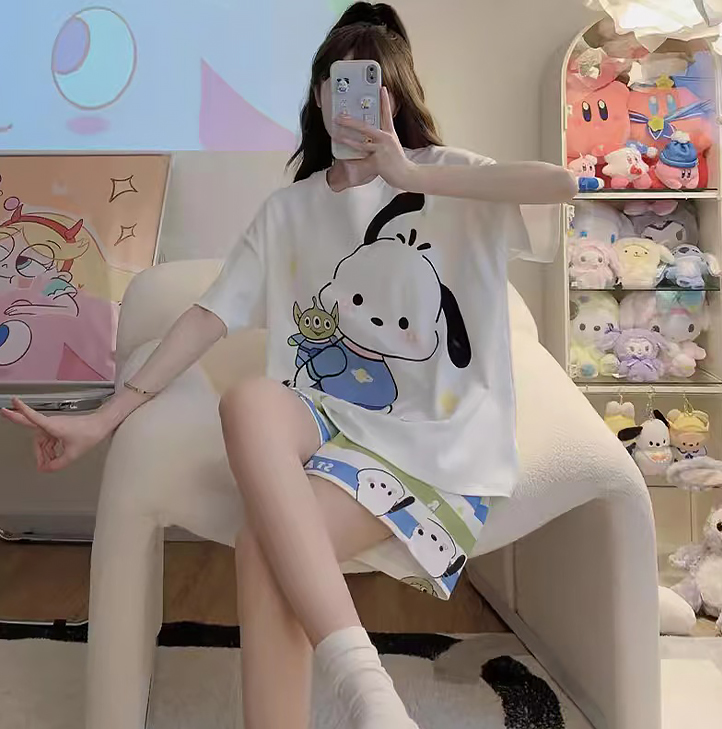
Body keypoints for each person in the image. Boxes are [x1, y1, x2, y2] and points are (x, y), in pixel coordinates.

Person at [1, 3, 576, 728]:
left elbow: (562, 185)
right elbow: (208, 316)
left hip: (434, 446)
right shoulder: (288, 211)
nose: (352, 100)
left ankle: (365, 694)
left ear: (394, 96)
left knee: (261, 544)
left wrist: (407, 171)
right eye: (338, 84)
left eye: (370, 84)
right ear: (319, 97)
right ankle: (371, 695)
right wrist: (103, 418)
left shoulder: (450, 177)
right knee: (249, 400)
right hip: (328, 431)